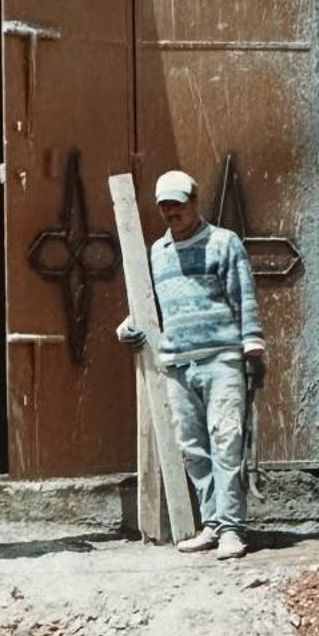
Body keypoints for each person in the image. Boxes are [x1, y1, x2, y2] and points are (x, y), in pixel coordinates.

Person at [119, 170, 266, 560]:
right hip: (178, 363)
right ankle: (213, 523)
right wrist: (129, 326)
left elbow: (243, 294)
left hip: (221, 359)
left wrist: (252, 345)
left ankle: (233, 529)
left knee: (226, 441)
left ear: (194, 202)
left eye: (178, 203)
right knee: (193, 448)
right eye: (165, 204)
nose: (171, 211)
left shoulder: (223, 242)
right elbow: (151, 306)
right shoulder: (158, 251)